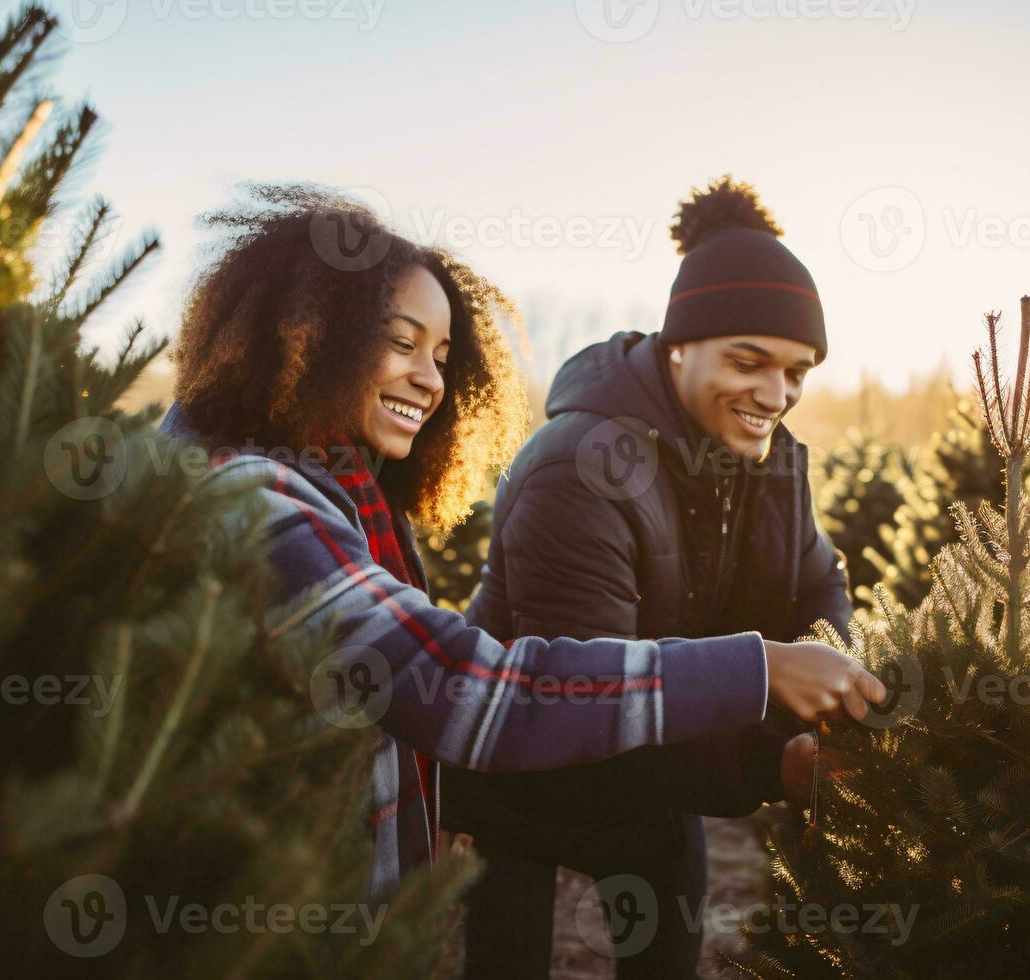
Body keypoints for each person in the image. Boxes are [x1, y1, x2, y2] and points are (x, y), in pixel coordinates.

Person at [160, 184, 884, 901]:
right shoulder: (258, 504)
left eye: (443, 356)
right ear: (305, 339)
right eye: (401, 344)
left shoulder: (350, 499)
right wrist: (755, 671)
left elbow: (817, 579)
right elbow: (462, 691)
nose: (430, 379)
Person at [445, 177, 851, 977]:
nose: (776, 395)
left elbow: (817, 586)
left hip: (660, 778)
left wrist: (838, 701)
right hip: (518, 777)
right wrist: (774, 761)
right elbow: (590, 695)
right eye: (749, 361)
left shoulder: (774, 462)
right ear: (677, 347)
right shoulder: (578, 467)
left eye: (797, 370)